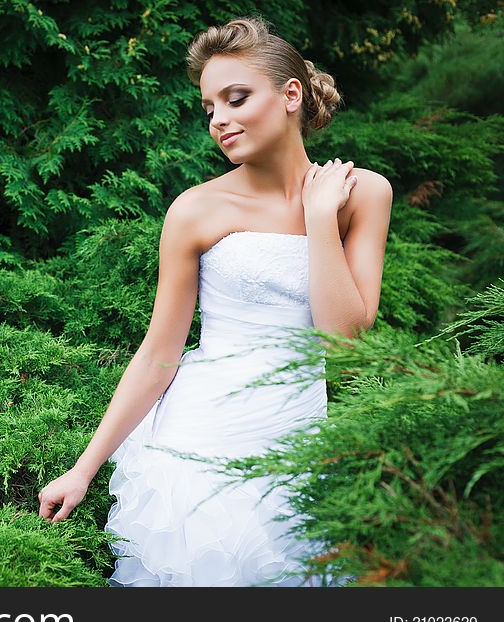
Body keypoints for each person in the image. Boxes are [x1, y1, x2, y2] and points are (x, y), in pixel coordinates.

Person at [37, 15, 392, 586]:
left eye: (236, 98)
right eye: (209, 109)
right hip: (197, 445)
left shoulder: (363, 195)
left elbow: (345, 340)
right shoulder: (195, 211)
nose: (220, 121)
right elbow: (158, 355)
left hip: (298, 441)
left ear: (291, 95)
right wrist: (84, 469)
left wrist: (320, 217)